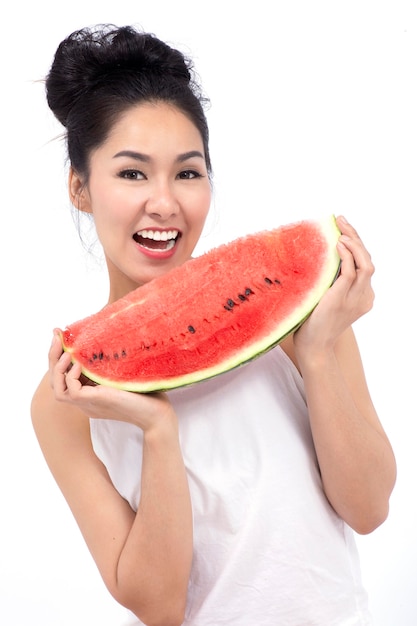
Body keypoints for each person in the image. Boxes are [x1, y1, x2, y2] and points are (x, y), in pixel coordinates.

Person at [31, 23, 396, 626]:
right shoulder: (65, 396)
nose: (165, 202)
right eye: (131, 173)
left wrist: (321, 353)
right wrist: (156, 429)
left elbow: (368, 508)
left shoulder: (298, 309)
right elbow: (159, 606)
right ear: (80, 188)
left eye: (188, 172)